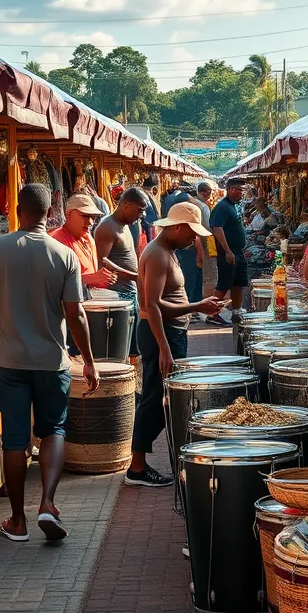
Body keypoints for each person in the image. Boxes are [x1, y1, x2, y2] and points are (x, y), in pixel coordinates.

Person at [0, 183, 99, 543]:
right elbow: (76, 314)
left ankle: (18, 520)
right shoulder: (64, 254)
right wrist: (88, 360)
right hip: (53, 361)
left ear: (18, 211)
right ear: (51, 212)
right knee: (53, 430)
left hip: (9, 362)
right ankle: (48, 504)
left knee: (15, 439)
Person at [126, 202, 225, 486]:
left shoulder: (167, 250)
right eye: (192, 233)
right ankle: (137, 468)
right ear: (178, 228)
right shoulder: (158, 254)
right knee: (155, 400)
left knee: (164, 400)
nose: (194, 239)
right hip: (161, 335)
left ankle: (146, 464)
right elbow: (153, 305)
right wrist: (165, 348)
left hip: (170, 334)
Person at [94, 188, 148, 358]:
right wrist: (135, 277)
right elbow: (101, 262)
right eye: (139, 210)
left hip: (130, 293)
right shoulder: (107, 227)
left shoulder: (124, 225)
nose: (140, 215)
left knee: (134, 348)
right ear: (127, 205)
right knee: (122, 349)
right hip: (118, 296)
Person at [51, 193, 119, 293]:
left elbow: (90, 277)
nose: (90, 222)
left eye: (93, 217)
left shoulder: (88, 239)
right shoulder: (55, 240)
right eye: (85, 216)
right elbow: (54, 282)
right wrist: (92, 278)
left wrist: (105, 278)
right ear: (68, 215)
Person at [208, 177, 248, 325]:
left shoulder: (234, 206)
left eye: (242, 190)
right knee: (224, 285)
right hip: (228, 253)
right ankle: (212, 314)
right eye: (239, 190)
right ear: (230, 189)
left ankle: (236, 311)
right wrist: (228, 251)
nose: (241, 193)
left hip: (238, 252)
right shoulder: (222, 207)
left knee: (238, 284)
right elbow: (217, 229)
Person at [195, 181, 218, 299]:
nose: (209, 196)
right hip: (205, 238)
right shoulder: (203, 206)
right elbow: (208, 226)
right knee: (208, 265)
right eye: (208, 193)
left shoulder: (195, 203)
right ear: (203, 192)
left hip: (196, 238)